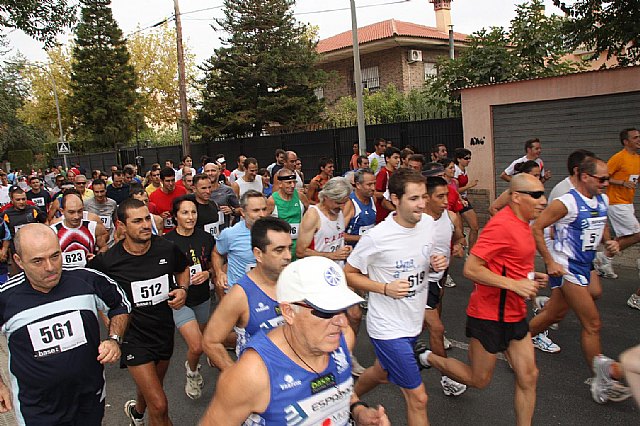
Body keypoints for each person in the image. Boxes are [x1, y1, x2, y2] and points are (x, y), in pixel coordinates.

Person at [416, 173, 547, 426]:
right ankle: (427, 357)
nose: (543, 200)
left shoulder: (525, 224)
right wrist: (515, 284)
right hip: (488, 315)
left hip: (515, 313)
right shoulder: (501, 225)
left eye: (543, 193)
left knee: (529, 376)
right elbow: (472, 269)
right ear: (517, 197)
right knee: (479, 379)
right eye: (536, 195)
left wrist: (529, 276)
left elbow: (508, 263)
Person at [200, 256, 390, 426]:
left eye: (342, 309)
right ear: (289, 312)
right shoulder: (252, 374)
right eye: (326, 311)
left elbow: (340, 389)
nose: (342, 322)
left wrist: (359, 410)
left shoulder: (342, 338)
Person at [0, 223, 130, 425]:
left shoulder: (87, 280)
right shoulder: (6, 298)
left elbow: (120, 305)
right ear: (19, 260)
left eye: (55, 256)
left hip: (89, 398)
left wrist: (114, 340)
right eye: (37, 261)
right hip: (37, 408)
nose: (50, 267)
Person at [529, 157, 632, 403]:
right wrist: (550, 261)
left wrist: (609, 241)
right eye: (602, 179)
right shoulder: (566, 202)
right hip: (566, 267)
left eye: (607, 179)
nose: (607, 183)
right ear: (585, 177)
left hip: (585, 265)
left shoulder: (602, 199)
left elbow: (601, 221)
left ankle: (516, 338)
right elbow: (537, 228)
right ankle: (602, 381)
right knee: (592, 323)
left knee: (554, 314)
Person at [344, 168, 441, 425]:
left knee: (381, 371)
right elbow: (349, 273)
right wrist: (384, 288)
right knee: (418, 398)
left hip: (412, 322)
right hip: (388, 328)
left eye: (423, 197)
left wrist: (435, 263)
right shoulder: (377, 237)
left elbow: (424, 261)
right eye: (414, 198)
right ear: (395, 200)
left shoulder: (428, 224)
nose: (422, 204)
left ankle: (347, 401)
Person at [88, 198, 190, 426]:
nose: (145, 224)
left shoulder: (165, 247)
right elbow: (93, 291)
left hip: (163, 331)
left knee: (153, 390)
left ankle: (136, 412)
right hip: (134, 338)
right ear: (121, 226)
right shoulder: (108, 261)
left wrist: (183, 289)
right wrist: (110, 322)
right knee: (160, 404)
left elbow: (183, 268)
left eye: (146, 218)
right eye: (137, 221)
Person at [203, 217, 291, 371]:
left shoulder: (295, 282)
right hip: (260, 383)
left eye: (289, 248)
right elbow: (210, 341)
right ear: (258, 254)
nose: (288, 256)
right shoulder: (240, 295)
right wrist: (236, 376)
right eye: (279, 250)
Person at [163, 196, 215, 400]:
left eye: (193, 212)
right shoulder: (166, 242)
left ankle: (193, 363)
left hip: (202, 297)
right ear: (175, 216)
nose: (190, 216)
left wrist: (208, 274)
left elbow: (214, 264)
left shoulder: (206, 238)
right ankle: (192, 373)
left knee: (201, 341)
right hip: (180, 302)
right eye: (185, 212)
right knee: (197, 345)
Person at [421, 176, 467, 395]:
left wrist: (458, 247)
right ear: (427, 198)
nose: (445, 200)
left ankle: (394, 351)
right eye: (440, 196)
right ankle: (447, 378)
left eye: (446, 195)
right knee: (437, 329)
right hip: (419, 284)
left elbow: (459, 239)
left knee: (420, 326)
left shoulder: (450, 216)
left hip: (438, 279)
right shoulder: (416, 221)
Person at [594, 129, 640, 292]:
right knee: (637, 234)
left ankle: (604, 259)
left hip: (627, 202)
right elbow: (605, 177)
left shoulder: (637, 159)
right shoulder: (618, 157)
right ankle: (605, 256)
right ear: (626, 142)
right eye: (635, 138)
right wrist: (621, 183)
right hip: (616, 202)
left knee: (625, 236)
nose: (638, 140)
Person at [213, 190, 267, 295]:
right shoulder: (230, 234)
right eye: (256, 210)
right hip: (239, 295)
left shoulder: (275, 232)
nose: (262, 214)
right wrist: (219, 273)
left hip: (266, 293)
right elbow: (216, 253)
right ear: (243, 212)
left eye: (264, 209)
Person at [296, 177, 352, 266]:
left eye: (344, 202)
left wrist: (345, 249)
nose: (342, 207)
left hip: (337, 270)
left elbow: (335, 238)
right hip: (318, 271)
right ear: (326, 197)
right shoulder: (313, 215)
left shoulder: (338, 211)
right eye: (338, 203)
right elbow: (300, 252)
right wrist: (331, 255)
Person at [50, 191, 109, 267]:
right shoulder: (53, 231)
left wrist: (96, 259)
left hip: (87, 273)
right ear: (62, 211)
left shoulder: (93, 227)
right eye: (71, 212)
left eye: (80, 211)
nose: (76, 216)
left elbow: (104, 247)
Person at [266, 168, 309, 260]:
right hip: (281, 248)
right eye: (289, 183)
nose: (292, 185)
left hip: (299, 246)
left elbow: (309, 213)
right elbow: (263, 222)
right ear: (280, 184)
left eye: (294, 182)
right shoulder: (272, 201)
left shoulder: (300, 196)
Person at [454, 148, 480, 249]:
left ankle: (471, 252)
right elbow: (454, 190)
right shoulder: (455, 170)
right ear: (459, 159)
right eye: (466, 158)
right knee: (458, 231)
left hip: (464, 199)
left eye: (469, 158)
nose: (468, 160)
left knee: (475, 227)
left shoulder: (463, 170)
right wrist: (469, 186)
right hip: (456, 201)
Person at [344, 168, 377, 246]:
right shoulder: (350, 203)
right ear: (358, 185)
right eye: (369, 185)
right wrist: (363, 238)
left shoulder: (373, 198)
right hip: (353, 251)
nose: (373, 188)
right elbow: (339, 235)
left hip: (369, 249)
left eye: (374, 184)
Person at [149, 167, 187, 234]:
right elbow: (152, 218)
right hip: (164, 233)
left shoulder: (182, 191)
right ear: (161, 181)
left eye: (172, 180)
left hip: (181, 230)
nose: (171, 183)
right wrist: (160, 216)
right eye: (167, 181)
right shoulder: (153, 196)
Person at [204, 162, 240, 229]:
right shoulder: (199, 192)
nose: (210, 173)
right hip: (204, 233)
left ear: (219, 172)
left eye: (213, 170)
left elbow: (239, 210)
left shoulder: (227, 190)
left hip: (223, 232)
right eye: (207, 171)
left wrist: (232, 210)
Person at [84, 179, 118, 247]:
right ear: (93, 192)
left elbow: (115, 220)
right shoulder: (86, 204)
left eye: (102, 191)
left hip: (110, 243)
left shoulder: (112, 203)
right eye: (97, 192)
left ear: (106, 190)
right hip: (94, 243)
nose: (99, 194)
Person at [191, 174, 224, 238]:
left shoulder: (213, 204)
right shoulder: (191, 208)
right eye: (203, 188)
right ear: (194, 189)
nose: (208, 191)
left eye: (209, 187)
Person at [374, 146, 401, 223]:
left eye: (399, 158)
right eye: (395, 158)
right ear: (387, 159)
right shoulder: (383, 173)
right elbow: (375, 193)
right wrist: (386, 194)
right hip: (383, 214)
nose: (398, 160)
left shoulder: (397, 172)